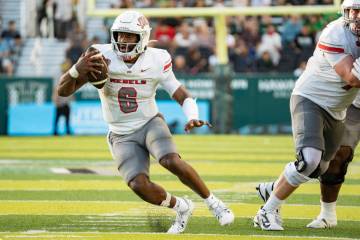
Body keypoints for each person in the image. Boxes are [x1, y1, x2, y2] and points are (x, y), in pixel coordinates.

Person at [56, 10, 234, 234]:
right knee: (138, 185)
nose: (123, 40)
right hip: (120, 133)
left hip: (150, 122)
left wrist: (192, 115)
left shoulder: (157, 58)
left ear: (142, 37)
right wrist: (75, 70)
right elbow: (62, 91)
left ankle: (214, 203)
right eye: (120, 35)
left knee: (170, 160)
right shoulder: (99, 54)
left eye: (129, 36)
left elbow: (180, 93)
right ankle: (182, 207)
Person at [253, 0, 360, 231]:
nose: (356, 16)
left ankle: (273, 188)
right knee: (309, 161)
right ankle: (267, 211)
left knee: (321, 168)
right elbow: (352, 78)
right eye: (354, 10)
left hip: (338, 109)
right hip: (311, 99)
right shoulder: (336, 33)